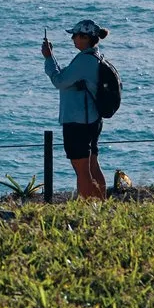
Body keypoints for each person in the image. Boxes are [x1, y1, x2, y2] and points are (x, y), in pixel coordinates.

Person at [41, 18, 110, 200]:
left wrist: (49, 58)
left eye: (75, 36)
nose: (73, 39)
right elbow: (67, 78)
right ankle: (101, 204)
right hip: (93, 119)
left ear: (85, 37)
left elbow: (59, 81)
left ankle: (88, 209)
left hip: (78, 121)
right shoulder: (96, 57)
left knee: (82, 170)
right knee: (93, 165)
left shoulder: (83, 61)